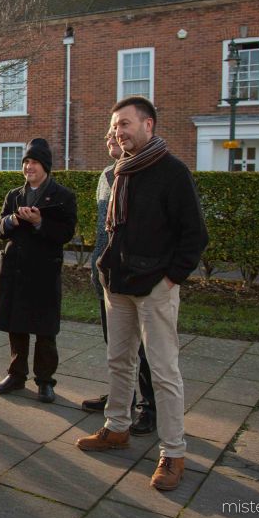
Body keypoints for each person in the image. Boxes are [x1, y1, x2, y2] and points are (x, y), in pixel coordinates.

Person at [77, 96, 208, 492]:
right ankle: (117, 428)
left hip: (155, 288)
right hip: (116, 284)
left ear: (148, 125)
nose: (118, 131)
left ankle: (173, 451)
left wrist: (169, 281)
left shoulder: (171, 171)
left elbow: (194, 236)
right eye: (115, 125)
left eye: (125, 124)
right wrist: (104, 270)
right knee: (119, 361)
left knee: (164, 371)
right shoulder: (121, 171)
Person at [81, 130, 157, 435]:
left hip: (138, 278)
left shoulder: (147, 174)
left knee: (145, 350)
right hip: (107, 277)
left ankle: (149, 408)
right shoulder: (106, 175)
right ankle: (122, 398)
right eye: (107, 134)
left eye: (116, 133)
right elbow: (103, 228)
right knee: (115, 345)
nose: (110, 138)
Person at [0, 138, 77, 403]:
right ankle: (16, 375)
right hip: (15, 269)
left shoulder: (63, 197)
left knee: (45, 330)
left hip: (43, 271)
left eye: (35, 162)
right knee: (16, 326)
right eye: (26, 162)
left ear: (46, 167)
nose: (29, 167)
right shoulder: (14, 195)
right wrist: (14, 219)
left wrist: (40, 222)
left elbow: (66, 233)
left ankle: (45, 380)